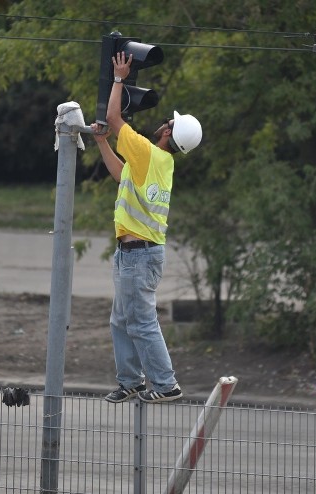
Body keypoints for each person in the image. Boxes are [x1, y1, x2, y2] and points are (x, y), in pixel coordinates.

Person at [89, 50, 202, 404]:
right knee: (121, 321)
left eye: (168, 123)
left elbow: (111, 115)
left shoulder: (149, 152)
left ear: (169, 133)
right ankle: (131, 381)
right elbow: (121, 175)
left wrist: (119, 78)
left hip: (140, 255)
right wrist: (102, 141)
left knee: (139, 323)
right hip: (133, 254)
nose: (164, 123)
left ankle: (166, 385)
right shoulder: (158, 161)